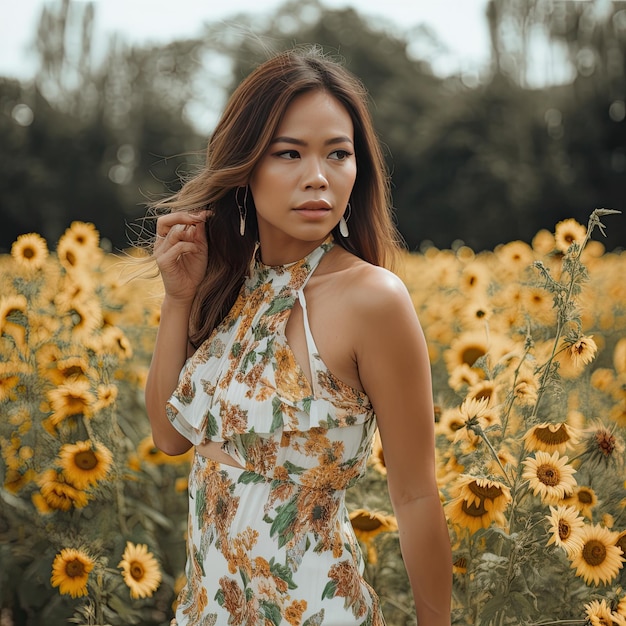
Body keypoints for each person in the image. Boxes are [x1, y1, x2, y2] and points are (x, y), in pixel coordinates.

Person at [145, 46, 452, 626]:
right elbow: (169, 435)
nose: (318, 177)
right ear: (247, 166)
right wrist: (178, 298)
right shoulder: (230, 285)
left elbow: (415, 498)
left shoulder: (373, 299)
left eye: (339, 153)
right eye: (289, 153)